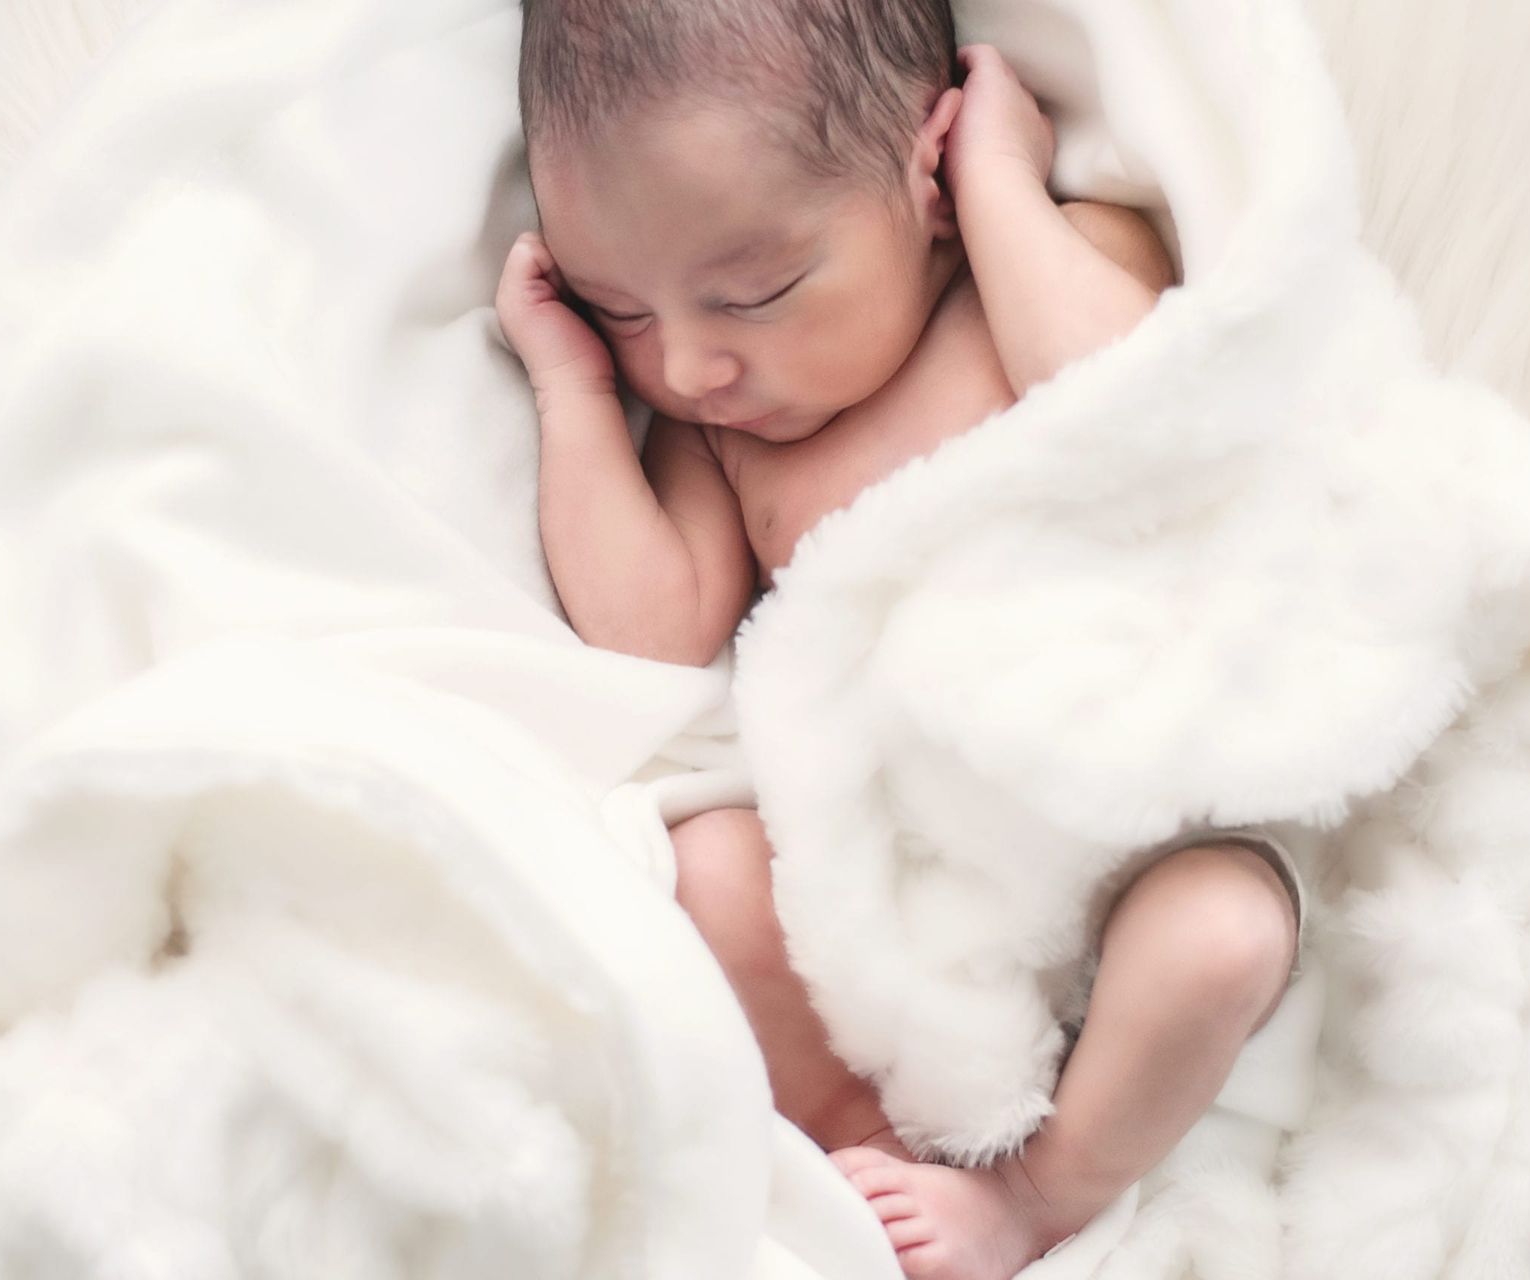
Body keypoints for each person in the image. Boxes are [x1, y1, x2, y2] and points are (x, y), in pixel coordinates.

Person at [495, 3, 1303, 1276]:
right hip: (909, 899)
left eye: (754, 292)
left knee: (1223, 931)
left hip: (1134, 839)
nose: (693, 364)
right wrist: (574, 384)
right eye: (623, 312)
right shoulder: (724, 434)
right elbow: (652, 632)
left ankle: (1038, 1190)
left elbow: (1139, 407)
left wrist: (999, 185)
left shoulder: (1038, 271)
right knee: (707, 867)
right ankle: (873, 1155)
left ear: (924, 181)